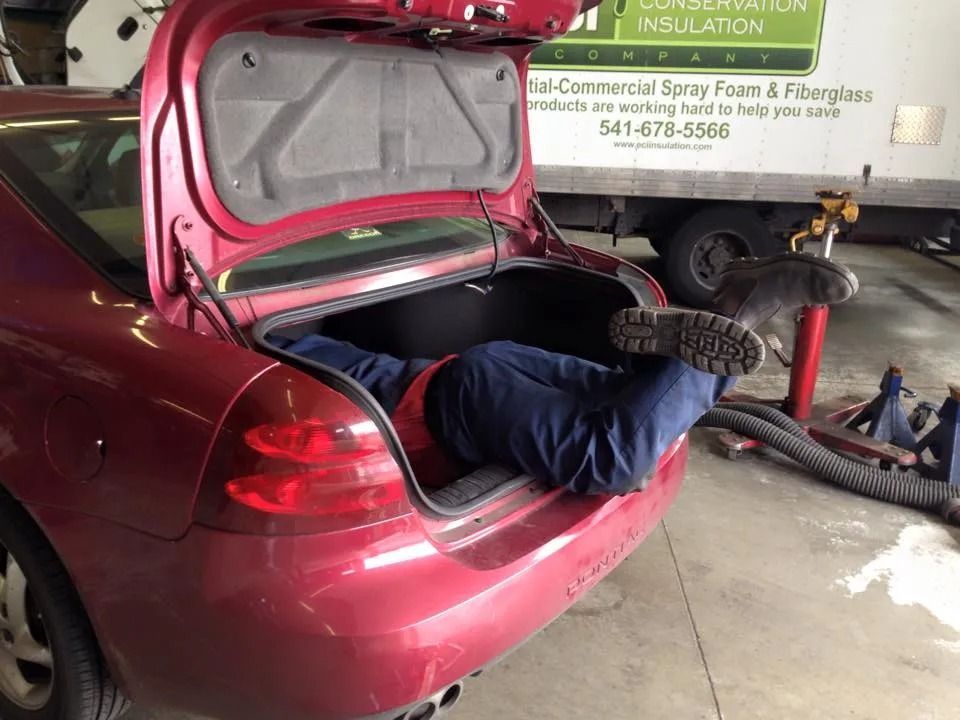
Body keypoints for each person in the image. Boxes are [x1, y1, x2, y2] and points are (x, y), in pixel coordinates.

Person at [273, 254, 859, 494]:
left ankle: (734, 310)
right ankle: (724, 313)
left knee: (613, 458)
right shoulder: (294, 346)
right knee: (619, 400)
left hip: (449, 407)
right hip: (477, 367)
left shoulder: (265, 367)